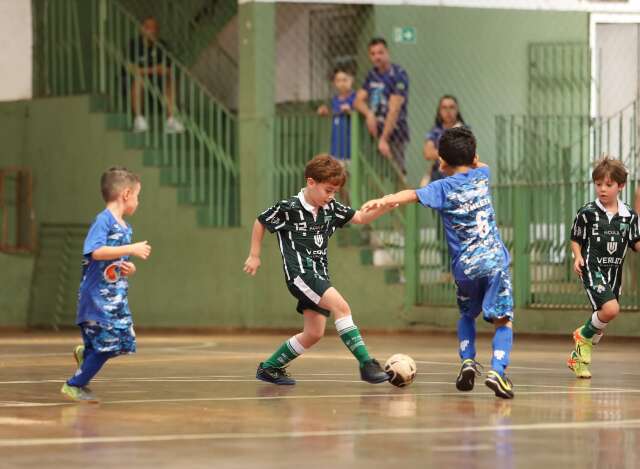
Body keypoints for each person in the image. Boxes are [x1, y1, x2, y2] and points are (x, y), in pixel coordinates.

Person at [361, 127, 515, 399]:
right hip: (494, 263)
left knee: (468, 315)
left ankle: (467, 361)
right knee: (502, 321)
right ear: (474, 156)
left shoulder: (441, 187)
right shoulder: (482, 175)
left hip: (465, 267)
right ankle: (497, 371)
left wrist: (384, 200)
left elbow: (410, 194)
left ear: (441, 162)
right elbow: (478, 161)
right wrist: (469, 156)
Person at [243, 154, 391, 385]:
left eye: (335, 192)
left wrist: (385, 205)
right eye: (328, 190)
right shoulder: (289, 208)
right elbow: (261, 221)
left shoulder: (330, 207)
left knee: (314, 333)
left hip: (320, 274)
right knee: (342, 307)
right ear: (311, 182)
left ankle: (270, 367)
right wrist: (254, 255)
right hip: (301, 274)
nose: (331, 196)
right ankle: (367, 364)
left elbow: (361, 217)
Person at [60, 167, 152, 402]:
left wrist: (127, 266)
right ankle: (74, 385)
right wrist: (131, 249)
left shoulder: (125, 227)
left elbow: (114, 261)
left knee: (123, 342)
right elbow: (96, 251)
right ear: (126, 194)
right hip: (97, 299)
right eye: (138, 196)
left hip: (116, 298)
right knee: (109, 345)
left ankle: (87, 354)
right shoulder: (103, 221)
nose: (138, 202)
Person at [567, 157, 640, 379]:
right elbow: (576, 238)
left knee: (600, 324)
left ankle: (577, 359)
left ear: (621, 186)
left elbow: (636, 243)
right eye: (598, 184)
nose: (602, 189)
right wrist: (577, 256)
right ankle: (581, 336)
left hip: (614, 274)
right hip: (592, 267)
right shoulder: (587, 213)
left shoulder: (629, 216)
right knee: (610, 310)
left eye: (608, 185)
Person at [354, 37, 409, 174]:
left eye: (380, 52)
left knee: (396, 173)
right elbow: (358, 101)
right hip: (374, 133)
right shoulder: (372, 75)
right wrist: (369, 114)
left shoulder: (399, 74)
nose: (377, 57)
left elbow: (394, 109)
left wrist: (384, 139)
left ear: (387, 52)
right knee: (375, 174)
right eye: (373, 54)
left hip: (394, 133)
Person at [127, 16, 184, 134]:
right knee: (139, 79)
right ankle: (138, 119)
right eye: (148, 28)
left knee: (170, 78)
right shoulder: (134, 45)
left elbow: (167, 69)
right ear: (142, 29)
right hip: (136, 81)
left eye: (154, 28)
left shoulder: (162, 46)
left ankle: (171, 121)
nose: (151, 31)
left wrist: (157, 71)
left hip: (158, 81)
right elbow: (133, 69)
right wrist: (154, 69)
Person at [423, 95, 467, 185]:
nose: (448, 111)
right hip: (438, 176)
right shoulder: (435, 131)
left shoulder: (464, 130)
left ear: (457, 110)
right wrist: (450, 152)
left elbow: (462, 154)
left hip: (458, 176)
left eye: (451, 107)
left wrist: (438, 153)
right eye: (444, 107)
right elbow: (428, 153)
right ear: (439, 111)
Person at [317, 66, 356, 161]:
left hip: (350, 148)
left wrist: (350, 111)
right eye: (338, 80)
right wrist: (325, 111)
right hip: (336, 148)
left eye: (345, 80)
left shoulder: (356, 98)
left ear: (352, 80)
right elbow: (334, 113)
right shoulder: (335, 100)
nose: (341, 83)